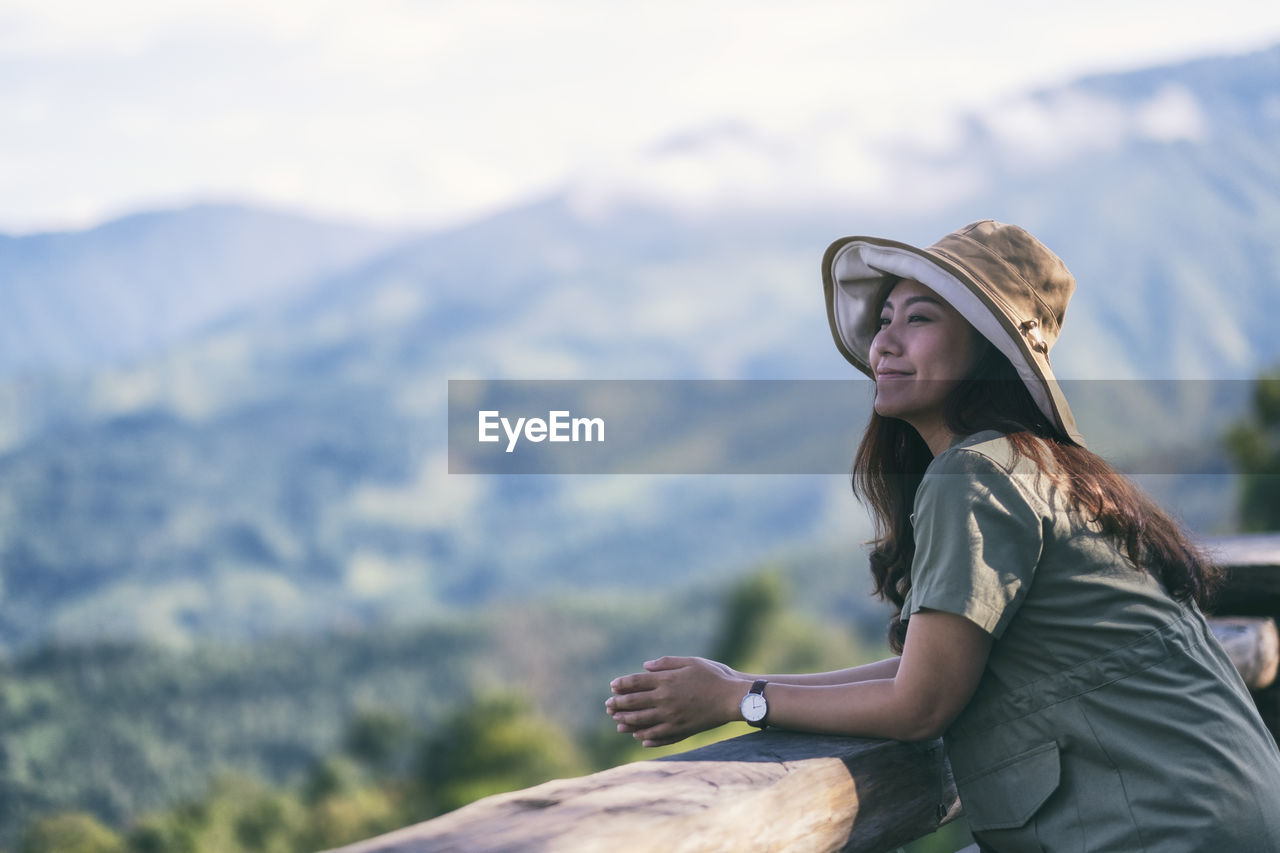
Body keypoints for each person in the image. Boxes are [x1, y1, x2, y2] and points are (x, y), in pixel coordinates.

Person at [606, 220, 1280, 851]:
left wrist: (737, 701)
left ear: (988, 351)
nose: (885, 343)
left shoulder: (975, 476)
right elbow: (929, 668)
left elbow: (920, 704)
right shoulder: (1037, 468)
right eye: (884, 320)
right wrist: (741, 682)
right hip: (1216, 811)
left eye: (920, 319)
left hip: (1165, 829)